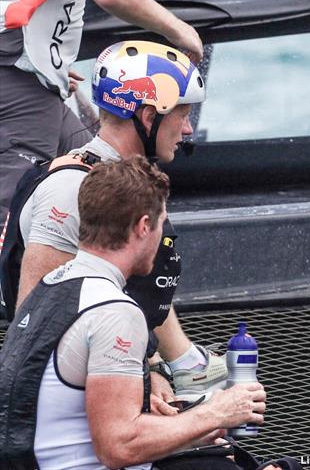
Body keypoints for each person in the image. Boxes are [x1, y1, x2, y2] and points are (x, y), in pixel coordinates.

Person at [0, 157, 266, 470]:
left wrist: (172, 422)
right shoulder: (115, 311)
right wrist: (217, 413)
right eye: (161, 224)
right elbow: (118, 446)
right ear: (143, 226)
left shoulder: (51, 285)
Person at [0, 40, 225, 401]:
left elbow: (128, 287)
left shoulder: (127, 182)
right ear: (149, 116)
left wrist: (168, 364)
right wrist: (138, 386)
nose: (187, 130)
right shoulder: (70, 190)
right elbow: (35, 333)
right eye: (182, 115)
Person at [0, 0, 204, 217]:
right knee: (11, 216)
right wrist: (182, 31)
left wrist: (50, 59)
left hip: (22, 64)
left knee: (106, 187)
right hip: (15, 67)